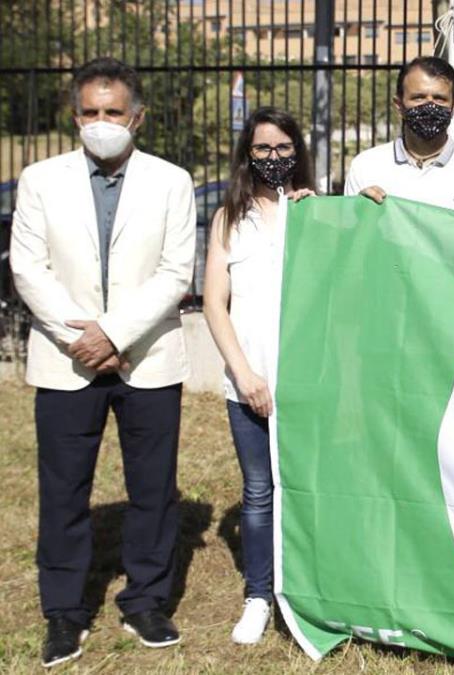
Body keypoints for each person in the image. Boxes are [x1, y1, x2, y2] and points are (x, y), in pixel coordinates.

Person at [10, 57, 196, 667]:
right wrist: (82, 338)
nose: (101, 122)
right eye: (90, 112)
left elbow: (175, 272)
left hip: (148, 359)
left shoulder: (172, 181)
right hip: (66, 362)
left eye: (112, 112)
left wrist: (114, 333)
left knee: (152, 491)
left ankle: (147, 600)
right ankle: (64, 613)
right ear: (73, 116)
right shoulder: (40, 179)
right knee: (63, 492)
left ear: (136, 117)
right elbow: (27, 268)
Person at [202, 107, 315, 645]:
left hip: (307, 381)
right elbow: (214, 303)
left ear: (299, 153)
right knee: (258, 492)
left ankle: (311, 591)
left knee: (308, 487)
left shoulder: (314, 211)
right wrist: (243, 373)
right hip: (249, 382)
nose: (274, 158)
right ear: (248, 154)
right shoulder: (230, 217)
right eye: (264, 149)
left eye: (284, 149)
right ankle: (258, 595)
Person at [344, 56, 454, 217]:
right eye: (418, 97)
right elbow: (347, 235)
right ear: (399, 105)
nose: (429, 106)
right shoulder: (366, 167)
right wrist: (358, 213)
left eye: (439, 98)